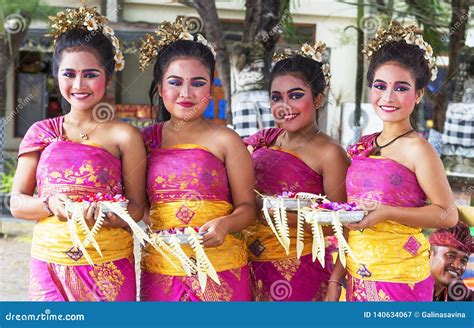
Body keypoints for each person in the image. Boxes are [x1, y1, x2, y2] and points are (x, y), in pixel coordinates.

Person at [10, 5, 147, 301]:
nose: (78, 85)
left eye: (90, 74)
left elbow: (138, 206)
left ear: (108, 76)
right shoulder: (41, 131)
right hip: (50, 266)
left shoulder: (125, 136)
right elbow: (17, 203)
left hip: (109, 267)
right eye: (69, 74)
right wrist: (51, 204)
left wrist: (109, 215)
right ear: (56, 75)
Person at [138, 19, 256, 301]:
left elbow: (248, 207)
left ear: (211, 89)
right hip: (162, 268)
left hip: (222, 269)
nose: (186, 93)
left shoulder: (227, 140)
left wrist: (225, 224)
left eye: (198, 83)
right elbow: (136, 205)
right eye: (175, 82)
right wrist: (165, 224)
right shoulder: (144, 141)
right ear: (160, 87)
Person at [344, 22, 458, 301]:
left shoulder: (420, 150)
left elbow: (448, 214)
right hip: (356, 273)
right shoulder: (362, 146)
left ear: (418, 94)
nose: (388, 97)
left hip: (401, 279)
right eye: (380, 86)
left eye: (401, 88)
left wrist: (387, 212)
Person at [243, 42, 350, 301]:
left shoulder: (330, 153)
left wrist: (336, 281)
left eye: (296, 95)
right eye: (276, 97)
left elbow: (343, 226)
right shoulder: (264, 141)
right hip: (246, 264)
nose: (284, 105)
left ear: (318, 99)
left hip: (299, 270)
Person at [430, 221, 473, 301]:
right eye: (450, 256)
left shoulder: (457, 289)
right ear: (430, 255)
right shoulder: (408, 286)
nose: (457, 266)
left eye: (463, 261)